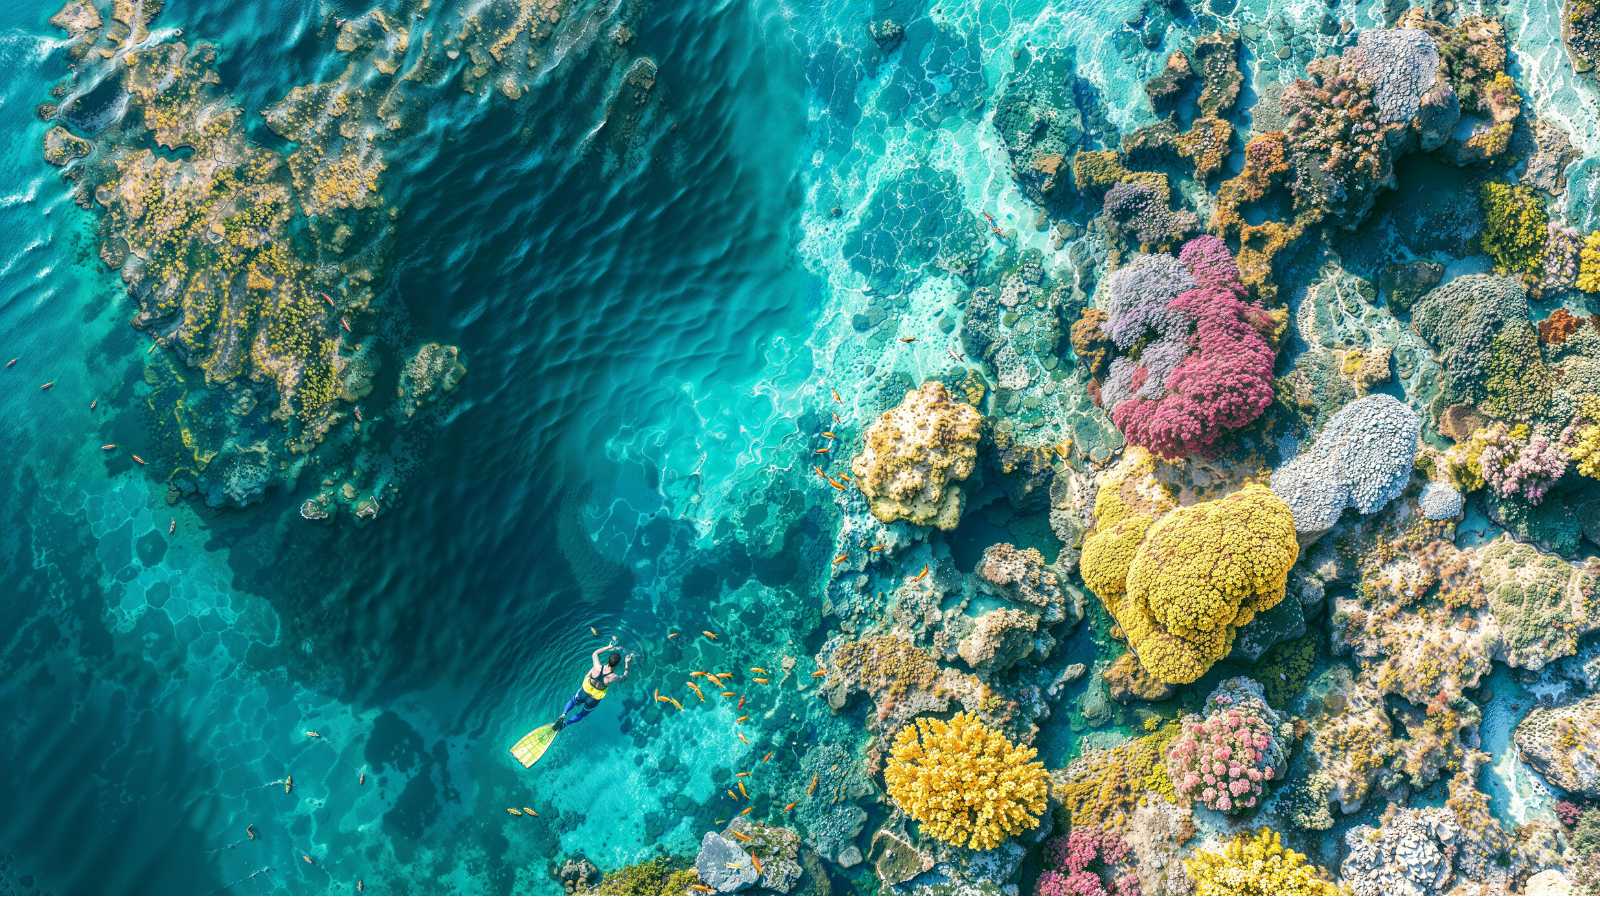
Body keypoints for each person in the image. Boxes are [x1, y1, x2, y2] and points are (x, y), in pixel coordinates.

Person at [553, 642, 631, 731]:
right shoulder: (613, 677)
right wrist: (627, 664)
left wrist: (608, 647)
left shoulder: (597, 666)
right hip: (594, 699)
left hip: (584, 691)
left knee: (573, 701)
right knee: (582, 714)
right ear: (616, 665)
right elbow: (624, 677)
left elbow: (595, 653)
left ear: (608, 660)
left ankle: (564, 714)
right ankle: (565, 724)